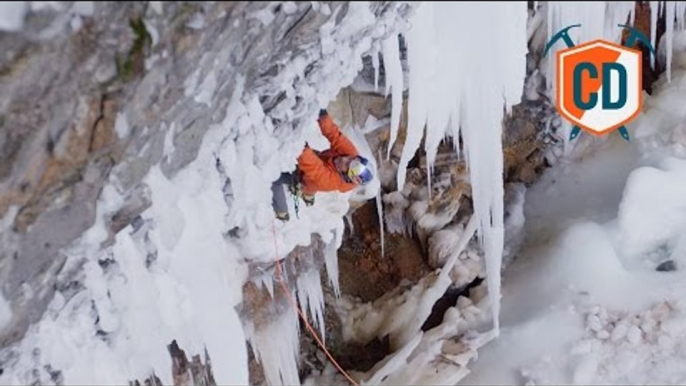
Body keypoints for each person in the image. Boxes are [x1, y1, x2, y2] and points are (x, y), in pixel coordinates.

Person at [271, 109, 374, 221]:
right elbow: (335, 136)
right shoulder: (352, 155)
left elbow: (314, 168)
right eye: (351, 159)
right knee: (310, 157)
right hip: (320, 160)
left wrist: (301, 146)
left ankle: (282, 212)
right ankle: (308, 196)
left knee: (274, 178)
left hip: (303, 177)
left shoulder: (331, 182)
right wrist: (323, 116)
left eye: (347, 164)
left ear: (349, 176)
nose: (344, 158)